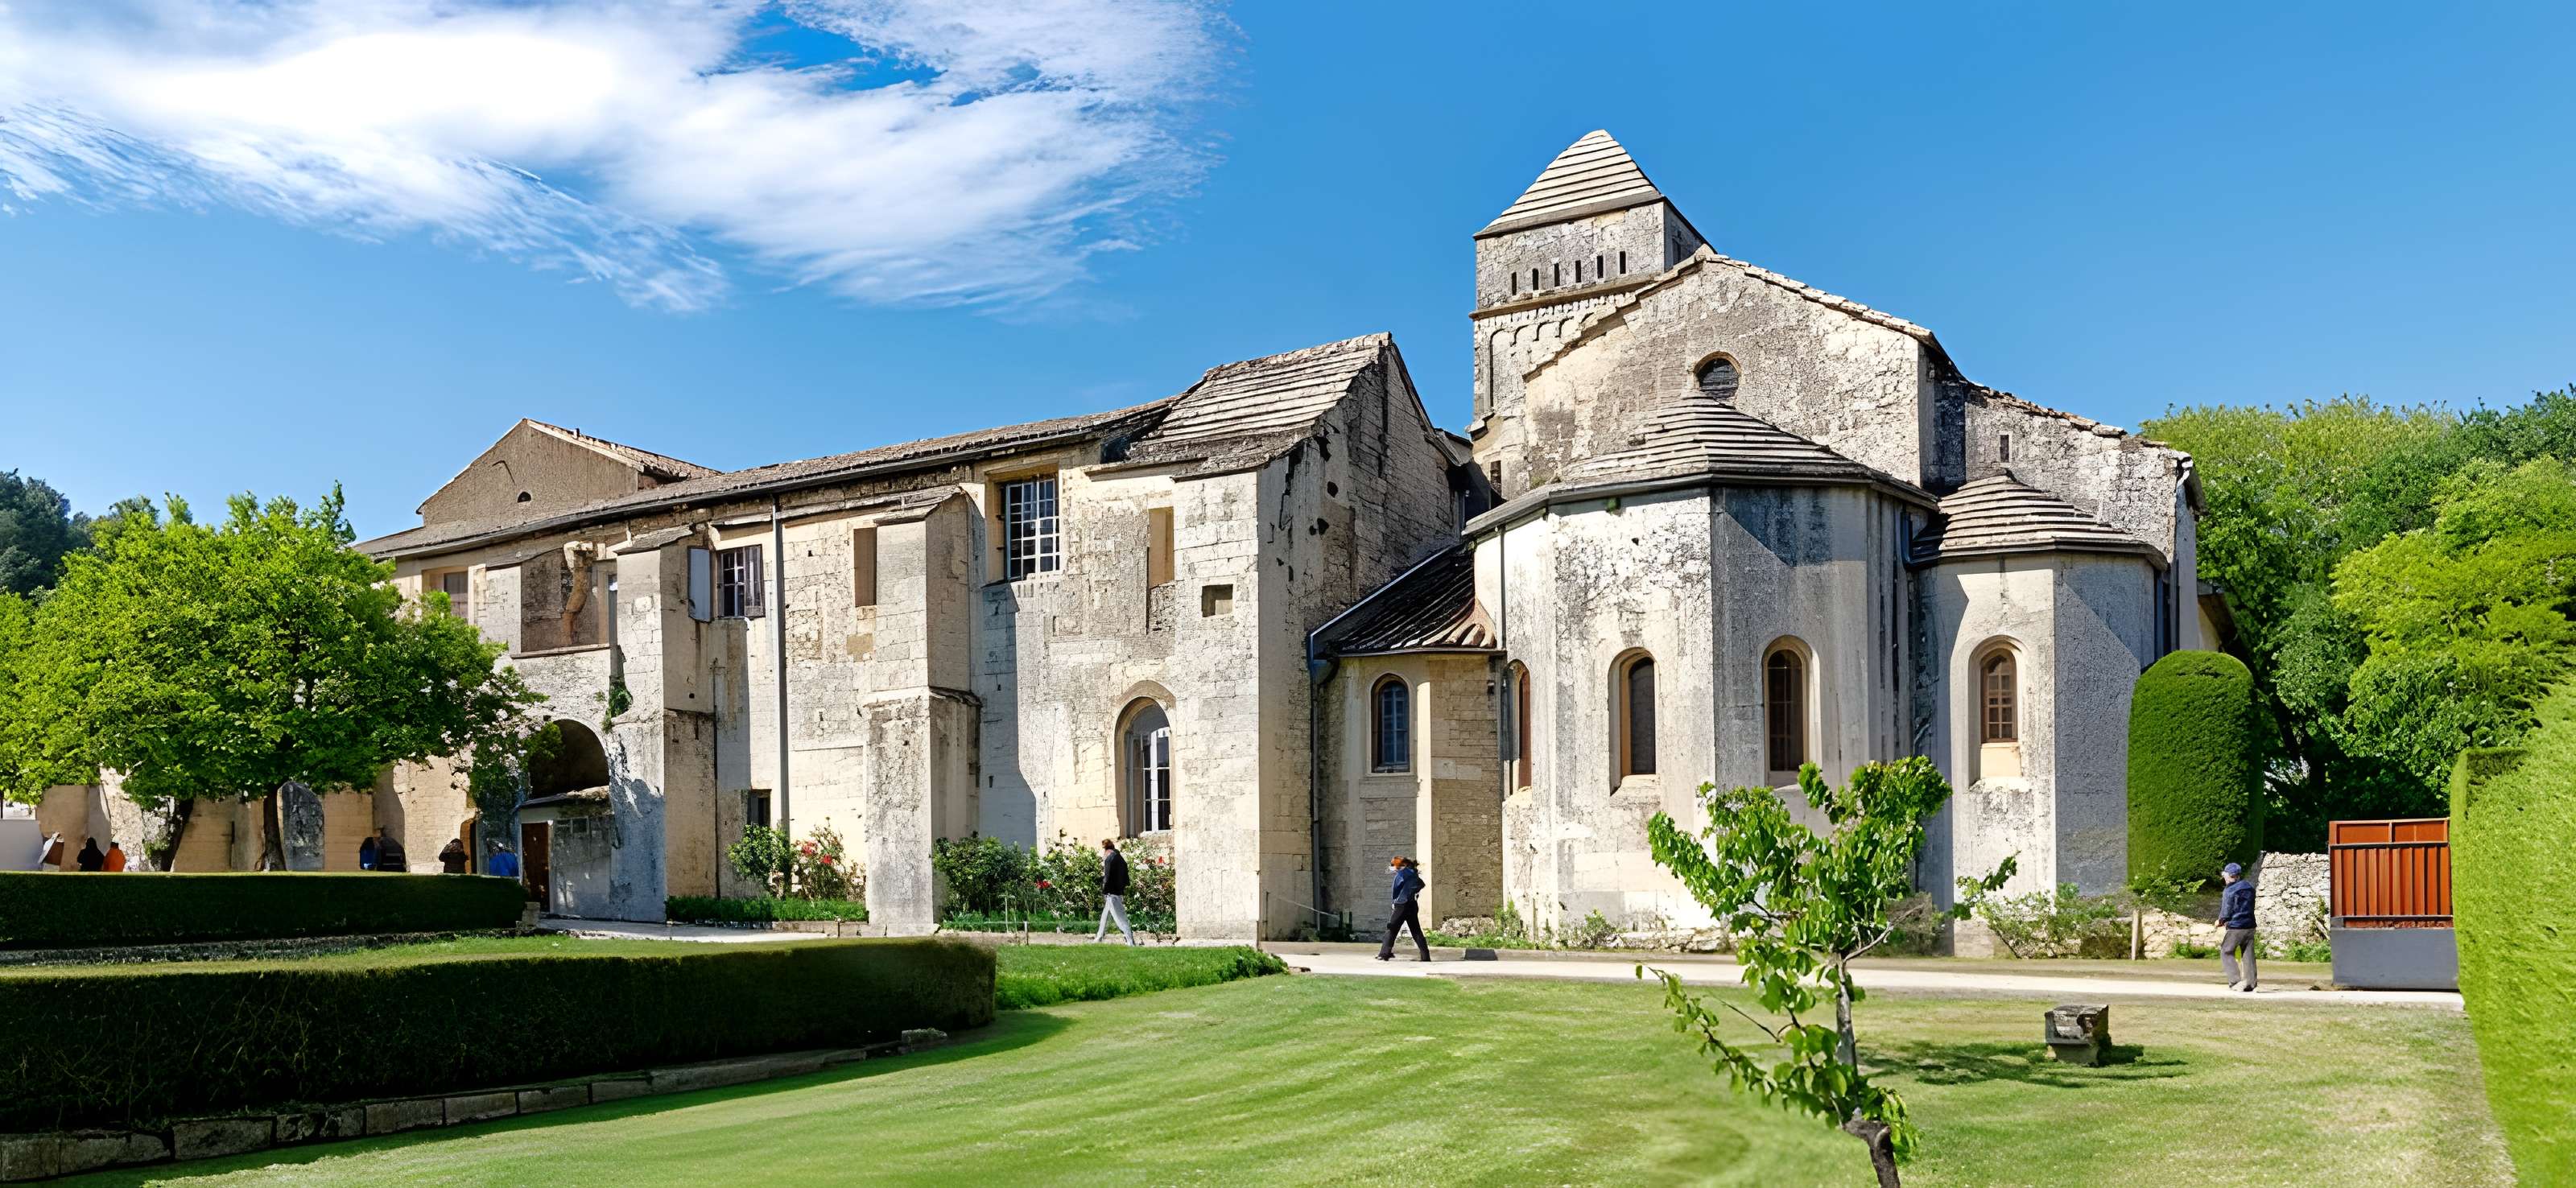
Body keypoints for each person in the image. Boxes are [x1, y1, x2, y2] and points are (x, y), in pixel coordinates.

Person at [1377, 856, 1429, 963]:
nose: (1393, 868)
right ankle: (1425, 956)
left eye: (1394, 866)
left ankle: (1384, 954)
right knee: (1416, 931)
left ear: (1402, 866)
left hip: (1401, 905)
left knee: (1392, 928)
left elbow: (1395, 890)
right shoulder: (1414, 873)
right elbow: (1421, 884)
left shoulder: (1401, 874)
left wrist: (1394, 903)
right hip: (1412, 905)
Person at [2217, 860, 2258, 992]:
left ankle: (2235, 981)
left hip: (2236, 926)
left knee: (2226, 951)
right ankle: (2250, 983)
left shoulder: (2229, 890)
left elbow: (2226, 910)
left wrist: (2220, 921)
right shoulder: (2249, 887)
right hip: (2250, 925)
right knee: (2248, 953)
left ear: (2228, 875)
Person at [1094, 838, 1139, 946]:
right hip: (1118, 891)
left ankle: (1130, 941)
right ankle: (1099, 937)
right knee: (1105, 915)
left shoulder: (1109, 859)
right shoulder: (1120, 858)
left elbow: (1107, 877)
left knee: (1120, 918)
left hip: (1111, 893)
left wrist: (1105, 890)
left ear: (1106, 850)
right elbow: (1125, 876)